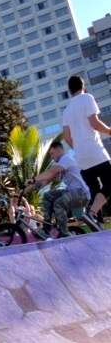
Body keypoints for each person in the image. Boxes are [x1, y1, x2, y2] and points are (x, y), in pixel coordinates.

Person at [63, 74, 111, 228]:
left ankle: (99, 226)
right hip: (95, 152)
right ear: (83, 87)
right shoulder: (87, 98)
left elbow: (67, 136)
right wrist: (110, 132)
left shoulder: (67, 110)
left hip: (81, 158)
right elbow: (94, 124)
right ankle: (91, 214)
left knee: (94, 190)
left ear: (70, 91)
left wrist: (77, 147)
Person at [26, 140, 96, 236]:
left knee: (58, 203)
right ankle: (46, 229)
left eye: (52, 153)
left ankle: (64, 234)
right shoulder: (60, 165)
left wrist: (33, 179)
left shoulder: (66, 159)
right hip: (72, 192)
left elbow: (51, 171)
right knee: (47, 196)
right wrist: (24, 190)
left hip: (82, 194)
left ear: (59, 150)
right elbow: (43, 182)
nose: (52, 157)